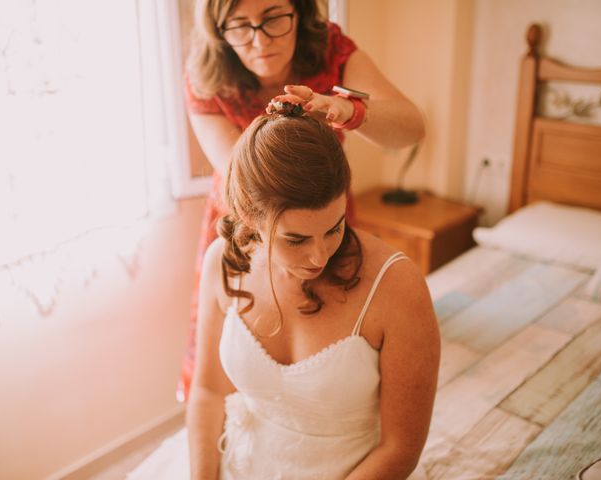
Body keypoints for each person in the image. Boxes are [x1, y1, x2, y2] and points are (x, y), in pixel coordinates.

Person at [178, 0, 426, 402]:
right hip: (248, 220)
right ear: (219, 31)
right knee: (233, 366)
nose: (259, 41)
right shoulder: (205, 77)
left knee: (329, 363)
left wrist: (347, 110)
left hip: (319, 214)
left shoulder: (330, 50)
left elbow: (410, 127)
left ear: (299, 10)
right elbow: (241, 179)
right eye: (239, 27)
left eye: (274, 18)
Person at [185, 105, 440, 479]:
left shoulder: (396, 286)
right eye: (296, 239)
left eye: (335, 228)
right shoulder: (222, 263)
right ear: (251, 218)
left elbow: (399, 448)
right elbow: (208, 392)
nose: (319, 255)